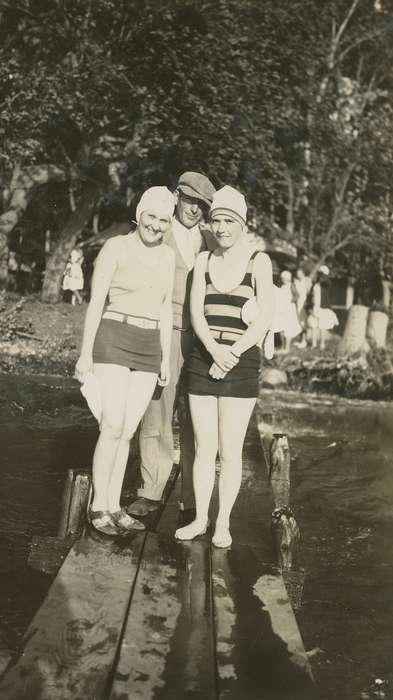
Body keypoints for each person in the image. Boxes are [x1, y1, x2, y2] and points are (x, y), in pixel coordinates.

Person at [175, 185, 274, 548]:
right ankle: (200, 518)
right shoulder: (203, 261)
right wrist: (215, 351)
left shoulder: (258, 261)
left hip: (242, 361)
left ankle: (223, 524)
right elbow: (196, 314)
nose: (222, 228)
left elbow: (265, 317)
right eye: (216, 220)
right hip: (205, 357)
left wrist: (231, 353)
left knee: (230, 451)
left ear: (242, 223)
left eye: (229, 220)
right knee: (204, 448)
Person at [74, 186, 176, 536]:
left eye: (165, 220)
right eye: (152, 217)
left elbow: (164, 307)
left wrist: (164, 356)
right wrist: (85, 354)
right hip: (114, 338)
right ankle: (98, 504)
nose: (157, 226)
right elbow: (96, 302)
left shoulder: (168, 257)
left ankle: (115, 505)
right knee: (112, 426)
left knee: (129, 430)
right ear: (139, 214)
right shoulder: (115, 247)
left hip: (148, 346)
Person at [128, 172, 216, 525]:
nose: (195, 209)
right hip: (166, 331)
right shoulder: (158, 232)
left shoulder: (212, 238)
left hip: (202, 339)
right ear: (177, 197)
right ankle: (150, 490)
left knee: (198, 418)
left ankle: (192, 499)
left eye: (203, 205)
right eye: (191, 200)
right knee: (157, 411)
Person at [307, 265, 339, 350]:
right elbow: (310, 295)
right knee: (314, 325)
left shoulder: (326, 283)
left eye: (320, 273)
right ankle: (314, 344)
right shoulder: (315, 284)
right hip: (315, 307)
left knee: (322, 326)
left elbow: (327, 281)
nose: (319, 275)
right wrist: (310, 306)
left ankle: (322, 344)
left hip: (323, 308)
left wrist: (323, 275)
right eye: (318, 273)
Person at [276, 270, 302, 353]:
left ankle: (287, 348)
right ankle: (283, 347)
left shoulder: (291, 285)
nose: (282, 279)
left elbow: (297, 295)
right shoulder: (282, 286)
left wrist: (290, 300)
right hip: (282, 309)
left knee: (288, 328)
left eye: (283, 278)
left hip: (290, 309)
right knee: (282, 328)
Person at [293, 267, 312, 348]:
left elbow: (309, 292)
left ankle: (304, 340)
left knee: (304, 322)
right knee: (299, 322)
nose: (298, 274)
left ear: (303, 273)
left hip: (305, 303)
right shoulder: (296, 281)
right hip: (298, 303)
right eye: (297, 273)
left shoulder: (307, 281)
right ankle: (301, 340)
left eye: (300, 273)